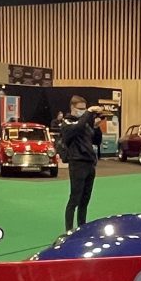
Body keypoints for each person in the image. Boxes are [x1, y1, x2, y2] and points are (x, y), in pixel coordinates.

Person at [54, 95, 102, 231]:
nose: (83, 111)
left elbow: (96, 140)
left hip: (89, 164)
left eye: (84, 108)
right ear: (72, 108)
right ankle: (69, 230)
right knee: (74, 199)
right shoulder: (67, 123)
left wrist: (97, 127)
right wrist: (89, 113)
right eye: (80, 109)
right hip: (77, 163)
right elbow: (77, 129)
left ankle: (82, 228)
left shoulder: (85, 123)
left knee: (85, 201)